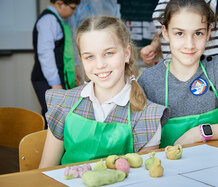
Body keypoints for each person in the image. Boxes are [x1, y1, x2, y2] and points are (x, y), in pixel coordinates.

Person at [39, 16, 169, 168]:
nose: (100, 65)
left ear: (126, 53)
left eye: (108, 53)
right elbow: (45, 171)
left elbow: (146, 178)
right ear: (81, 59)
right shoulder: (64, 103)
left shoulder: (147, 115)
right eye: (90, 56)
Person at [138, 0, 218, 148]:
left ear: (208, 33)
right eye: (179, 33)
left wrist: (200, 133)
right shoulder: (149, 80)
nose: (189, 45)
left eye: (198, 33)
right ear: (165, 33)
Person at [140, 0, 218, 96]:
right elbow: (168, 21)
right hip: (176, 76)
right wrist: (155, 45)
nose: (189, 44)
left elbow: (200, 10)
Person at [31, 0, 81, 126]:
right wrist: (55, 84)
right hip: (46, 79)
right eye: (72, 8)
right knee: (54, 119)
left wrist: (74, 67)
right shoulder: (48, 20)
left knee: (57, 116)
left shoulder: (60, 20)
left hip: (56, 78)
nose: (74, 12)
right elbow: (45, 53)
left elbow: (66, 49)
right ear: (60, 4)